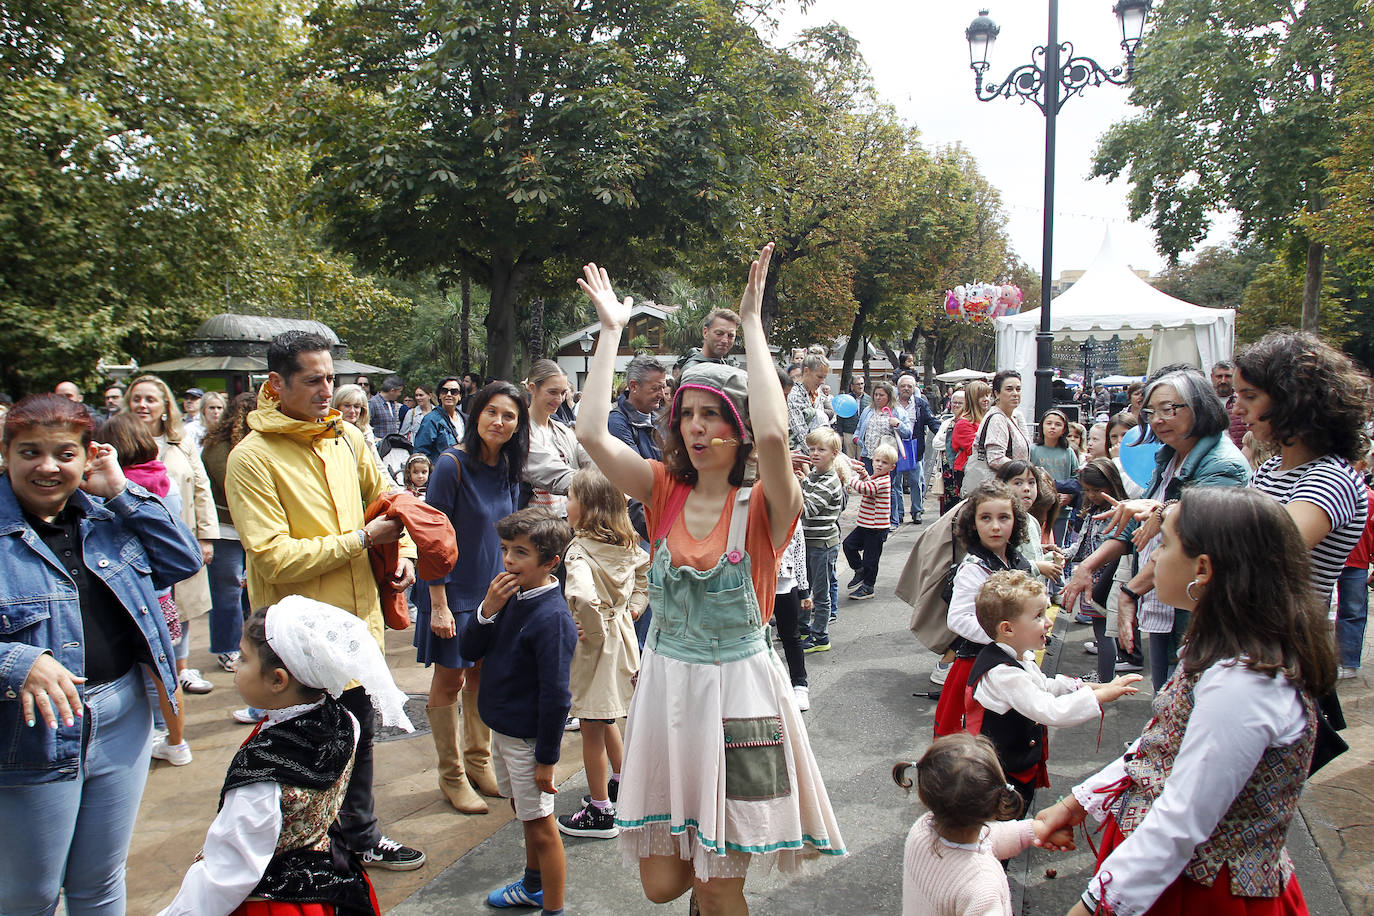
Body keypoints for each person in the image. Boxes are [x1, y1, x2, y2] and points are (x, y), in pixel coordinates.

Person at [576, 247, 845, 913]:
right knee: (665, 883)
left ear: (739, 427)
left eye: (714, 416)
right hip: (667, 693)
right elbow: (589, 434)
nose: (698, 428)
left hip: (740, 699)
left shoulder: (764, 506)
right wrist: (611, 331)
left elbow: (779, 442)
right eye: (688, 414)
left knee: (720, 882)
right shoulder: (663, 489)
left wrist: (752, 325)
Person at [1038, 488, 1333, 916]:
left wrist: (1092, 906)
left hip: (1198, 891)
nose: (1154, 558)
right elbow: (1163, 743)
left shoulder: (1244, 683)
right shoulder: (1223, 650)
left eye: (1166, 544)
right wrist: (1079, 802)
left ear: (1204, 568)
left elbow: (1182, 819)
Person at [225, 330, 424, 872]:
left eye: (331, 379)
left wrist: (401, 553)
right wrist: (364, 541)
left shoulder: (346, 440)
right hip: (296, 646)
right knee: (303, 759)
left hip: (353, 632)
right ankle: (304, 857)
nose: (326, 391)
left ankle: (359, 839)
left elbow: (389, 501)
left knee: (357, 744)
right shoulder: (252, 457)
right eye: (313, 380)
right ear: (276, 383)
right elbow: (273, 558)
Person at [0, 394, 202, 915]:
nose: (48, 467)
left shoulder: (108, 515)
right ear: (6, 455)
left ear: (88, 456)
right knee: (30, 895)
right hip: (30, 736)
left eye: (64, 453)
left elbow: (180, 558)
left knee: (100, 881)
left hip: (122, 719)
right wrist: (16, 662)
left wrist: (120, 490)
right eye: (30, 453)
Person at [156, 597, 413, 916]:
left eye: (244, 659)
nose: (235, 665)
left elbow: (226, 876)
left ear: (278, 680)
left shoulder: (263, 777)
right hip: (331, 883)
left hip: (276, 904)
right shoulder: (344, 720)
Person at [1062, 367, 1250, 692]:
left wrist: (1130, 591)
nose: (1157, 420)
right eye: (1150, 411)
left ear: (1201, 406)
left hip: (1196, 604)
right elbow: (1137, 528)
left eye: (1168, 409)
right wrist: (1088, 566)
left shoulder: (1223, 466)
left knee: (1187, 698)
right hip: (1166, 596)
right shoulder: (1170, 456)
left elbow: (1189, 536)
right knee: (1165, 694)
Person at [416, 380, 528, 814]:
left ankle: (480, 764)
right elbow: (431, 536)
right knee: (451, 677)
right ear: (476, 414)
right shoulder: (450, 464)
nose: (499, 422)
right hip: (452, 591)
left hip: (494, 590)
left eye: (510, 416)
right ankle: (452, 775)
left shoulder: (507, 467)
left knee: (482, 674)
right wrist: (439, 603)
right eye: (492, 412)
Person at [458, 509, 578, 913]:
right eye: (506, 549)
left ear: (550, 562)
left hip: (528, 741)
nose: (508, 560)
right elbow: (468, 650)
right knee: (524, 814)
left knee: (543, 827)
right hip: (505, 731)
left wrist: (546, 760)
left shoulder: (551, 618)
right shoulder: (510, 596)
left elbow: (557, 696)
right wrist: (487, 609)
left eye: (521, 552)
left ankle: (554, 907)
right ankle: (532, 884)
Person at [965, 570, 1140, 809]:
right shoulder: (1004, 674)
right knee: (1000, 826)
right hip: (1000, 775)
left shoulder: (1019, 656)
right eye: (1038, 616)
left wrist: (1085, 686)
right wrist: (1099, 695)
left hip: (1009, 767)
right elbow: (1049, 710)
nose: (1048, 622)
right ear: (1008, 629)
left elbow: (1043, 684)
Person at [556, 468, 649, 840]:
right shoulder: (627, 544)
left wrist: (588, 630)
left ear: (587, 507)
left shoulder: (578, 550)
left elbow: (580, 596)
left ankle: (600, 811)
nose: (566, 504)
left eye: (570, 497)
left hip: (596, 649)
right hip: (623, 639)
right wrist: (634, 608)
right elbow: (646, 576)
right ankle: (622, 781)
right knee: (607, 716)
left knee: (591, 727)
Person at [893, 733, 1072, 916]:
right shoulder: (982, 887)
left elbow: (988, 837)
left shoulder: (922, 829)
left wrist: (1033, 831)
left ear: (922, 792)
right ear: (996, 808)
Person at [125, 375, 219, 710]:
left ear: (165, 407)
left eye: (150, 399)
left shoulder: (181, 443)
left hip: (180, 540)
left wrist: (206, 536)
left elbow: (201, 488)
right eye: (137, 398)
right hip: (130, 547)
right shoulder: (115, 441)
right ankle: (147, 676)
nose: (142, 405)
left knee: (182, 609)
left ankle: (181, 669)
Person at [933, 480, 1034, 738]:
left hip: (1010, 660)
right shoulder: (974, 567)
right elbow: (958, 619)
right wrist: (1004, 637)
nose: (996, 526)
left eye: (1004, 517)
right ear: (973, 523)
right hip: (979, 666)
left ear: (1016, 520)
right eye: (986, 518)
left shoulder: (1015, 559)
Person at [200, 393, 256, 683]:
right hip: (224, 529)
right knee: (227, 590)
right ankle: (226, 647)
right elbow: (230, 484)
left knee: (252, 591)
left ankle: (251, 645)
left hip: (252, 528)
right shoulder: (217, 447)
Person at [1065, 458, 1130, 684]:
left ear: (1112, 485)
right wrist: (1063, 553)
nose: (1091, 495)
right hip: (1093, 578)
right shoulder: (1094, 510)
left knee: (1104, 632)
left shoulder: (1116, 513)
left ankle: (1105, 679)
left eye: (1097, 490)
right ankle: (1104, 675)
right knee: (1100, 631)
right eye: (1087, 490)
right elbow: (1083, 542)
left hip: (1104, 581)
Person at [799, 427, 851, 653]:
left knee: (820, 592)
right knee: (803, 588)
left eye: (821, 449)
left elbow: (806, 509)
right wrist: (801, 482)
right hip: (808, 542)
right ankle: (803, 629)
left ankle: (820, 636)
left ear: (834, 453)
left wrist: (794, 488)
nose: (815, 453)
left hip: (822, 544)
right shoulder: (813, 475)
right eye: (812, 449)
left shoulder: (829, 481)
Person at [524, 359, 592, 519]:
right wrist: (599, 486)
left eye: (563, 393)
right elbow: (551, 471)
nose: (559, 399)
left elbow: (589, 460)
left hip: (564, 522)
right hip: (532, 525)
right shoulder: (519, 430)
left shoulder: (563, 430)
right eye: (553, 392)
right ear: (532, 388)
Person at [843, 442, 896, 601]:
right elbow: (868, 483)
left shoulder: (884, 481)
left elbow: (866, 489)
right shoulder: (876, 478)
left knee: (871, 559)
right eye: (877, 460)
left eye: (884, 462)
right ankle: (859, 570)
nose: (879, 465)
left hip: (876, 528)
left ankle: (868, 586)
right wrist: (863, 474)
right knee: (848, 545)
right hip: (865, 525)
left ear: (891, 467)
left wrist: (848, 477)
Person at [962, 370, 1030, 493]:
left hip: (1008, 487)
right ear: (997, 393)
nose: (1015, 393)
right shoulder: (997, 418)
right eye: (1009, 389)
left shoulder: (1012, 417)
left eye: (1018, 389)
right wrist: (1025, 471)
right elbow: (995, 458)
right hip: (998, 491)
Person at [894, 376, 941, 525]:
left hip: (914, 447)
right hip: (895, 447)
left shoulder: (920, 404)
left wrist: (943, 433)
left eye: (909, 386)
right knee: (896, 482)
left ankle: (916, 511)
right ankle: (899, 513)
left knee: (916, 481)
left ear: (914, 388)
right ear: (898, 387)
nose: (906, 388)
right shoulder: (892, 403)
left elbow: (931, 421)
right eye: (903, 386)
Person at [332, 383, 392, 485]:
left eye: (356, 406)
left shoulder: (365, 431)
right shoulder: (329, 431)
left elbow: (376, 464)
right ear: (337, 406)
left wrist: (395, 491)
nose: (352, 411)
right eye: (347, 406)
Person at [949, 380, 991, 500]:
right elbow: (974, 448)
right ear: (972, 399)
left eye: (987, 395)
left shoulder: (986, 418)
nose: (986, 399)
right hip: (970, 471)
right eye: (981, 396)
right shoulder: (963, 423)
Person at [414, 376, 466, 462]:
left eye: (454, 392)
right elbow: (421, 453)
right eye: (444, 391)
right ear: (440, 395)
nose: (448, 394)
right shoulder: (431, 419)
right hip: (441, 471)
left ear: (460, 396)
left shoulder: (465, 419)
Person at [787, 354, 831, 452]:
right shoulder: (794, 395)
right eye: (819, 377)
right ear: (806, 371)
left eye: (825, 377)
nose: (823, 381)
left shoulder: (817, 393)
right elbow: (801, 435)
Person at [1031, 407, 1079, 485]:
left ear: (1064, 430)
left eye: (1058, 424)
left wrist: (1069, 495)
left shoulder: (1068, 452)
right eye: (1049, 423)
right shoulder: (1032, 450)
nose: (1052, 427)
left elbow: (1076, 477)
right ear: (1042, 426)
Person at [835, 375, 870, 460]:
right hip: (848, 433)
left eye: (862, 383)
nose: (860, 386)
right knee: (848, 459)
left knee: (862, 459)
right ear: (852, 386)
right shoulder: (846, 399)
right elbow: (840, 418)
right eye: (858, 384)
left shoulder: (869, 400)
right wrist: (840, 434)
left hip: (863, 435)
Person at [369, 375, 403, 441]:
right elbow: (364, 426)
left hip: (392, 446)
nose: (400, 394)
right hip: (379, 447)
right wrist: (374, 439)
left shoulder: (392, 404)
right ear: (392, 391)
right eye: (399, 391)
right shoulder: (372, 403)